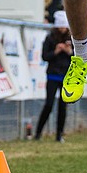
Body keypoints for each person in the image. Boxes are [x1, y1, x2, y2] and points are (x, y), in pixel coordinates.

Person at [35, 11, 72, 142]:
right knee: (49, 104)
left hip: (66, 76)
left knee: (63, 106)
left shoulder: (72, 39)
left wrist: (69, 52)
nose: (62, 29)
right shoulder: (50, 38)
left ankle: (59, 134)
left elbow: (77, 58)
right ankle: (38, 133)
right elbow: (45, 56)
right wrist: (56, 51)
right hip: (53, 75)